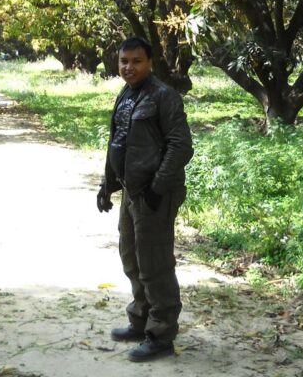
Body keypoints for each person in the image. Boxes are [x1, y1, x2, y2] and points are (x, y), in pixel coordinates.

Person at [96, 36, 193, 362]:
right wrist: (107, 185)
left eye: (136, 61)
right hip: (132, 192)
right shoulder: (126, 94)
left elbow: (181, 146)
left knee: (155, 265)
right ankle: (140, 320)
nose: (129, 67)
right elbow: (118, 143)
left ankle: (161, 335)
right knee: (132, 258)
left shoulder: (164, 97)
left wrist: (157, 187)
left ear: (149, 62)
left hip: (155, 195)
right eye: (124, 61)